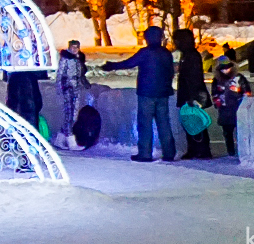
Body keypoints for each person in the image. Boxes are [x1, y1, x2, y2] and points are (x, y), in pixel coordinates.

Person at [101, 26, 175, 162]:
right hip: (163, 93)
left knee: (145, 123)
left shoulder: (145, 52)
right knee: (164, 123)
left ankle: (145, 154)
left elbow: (129, 63)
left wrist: (111, 66)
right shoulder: (166, 53)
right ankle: (169, 153)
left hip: (146, 93)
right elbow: (171, 72)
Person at [174, 29, 212, 159]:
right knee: (191, 122)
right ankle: (196, 149)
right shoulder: (188, 55)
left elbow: (194, 78)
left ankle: (201, 150)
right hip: (189, 94)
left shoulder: (191, 56)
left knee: (196, 123)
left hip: (192, 95)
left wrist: (192, 97)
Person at [210, 56, 253, 158]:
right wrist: (218, 102)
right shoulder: (216, 80)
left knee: (240, 131)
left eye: (227, 68)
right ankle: (231, 151)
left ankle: (241, 151)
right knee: (227, 132)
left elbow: (247, 92)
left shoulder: (239, 78)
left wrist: (245, 104)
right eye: (223, 68)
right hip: (225, 109)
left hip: (238, 108)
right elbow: (214, 93)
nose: (225, 70)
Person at [55, 39, 88, 142]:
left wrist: (84, 81)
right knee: (69, 113)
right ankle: (69, 138)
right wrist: (59, 86)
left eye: (77, 47)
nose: (75, 49)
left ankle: (61, 137)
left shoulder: (79, 58)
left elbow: (81, 72)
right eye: (73, 47)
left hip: (76, 87)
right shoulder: (65, 59)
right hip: (67, 87)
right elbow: (60, 74)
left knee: (74, 113)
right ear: (69, 47)